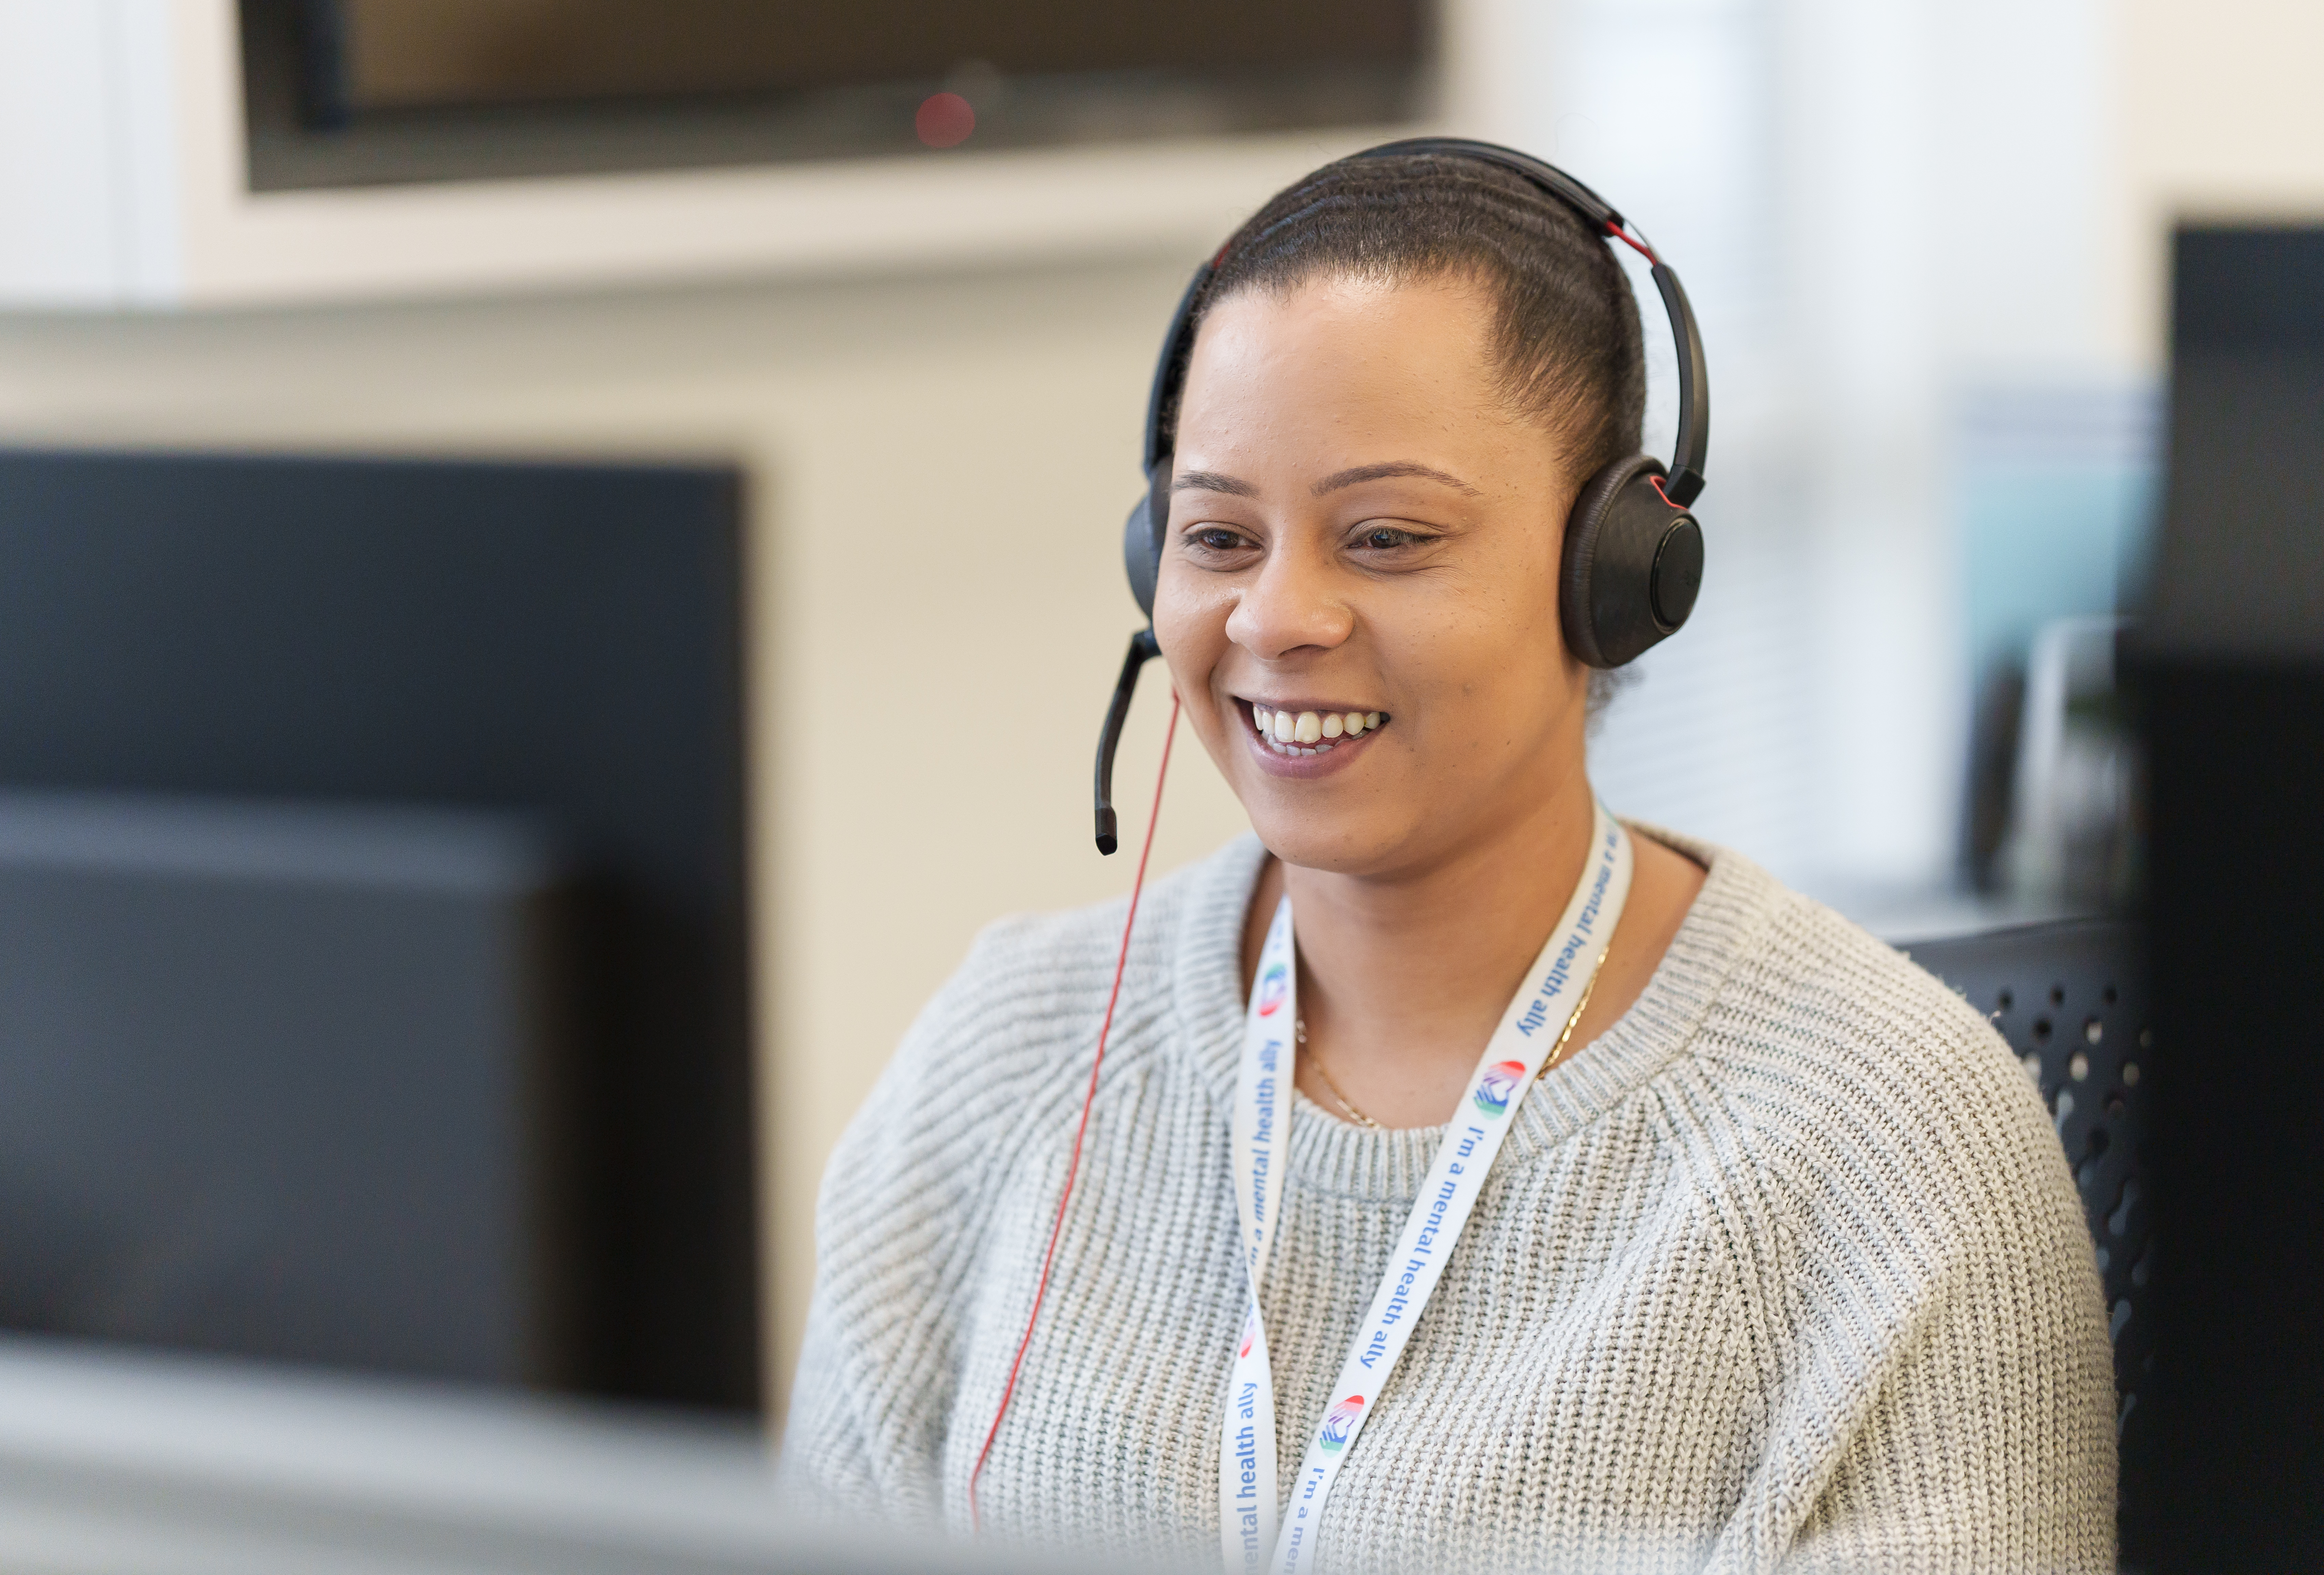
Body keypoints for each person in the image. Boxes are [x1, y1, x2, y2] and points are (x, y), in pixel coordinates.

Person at [783, 146, 2115, 1573]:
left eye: (1388, 537)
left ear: (1616, 570)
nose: (1277, 618)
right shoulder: (1009, 1055)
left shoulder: (1881, 1135)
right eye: (1219, 534)